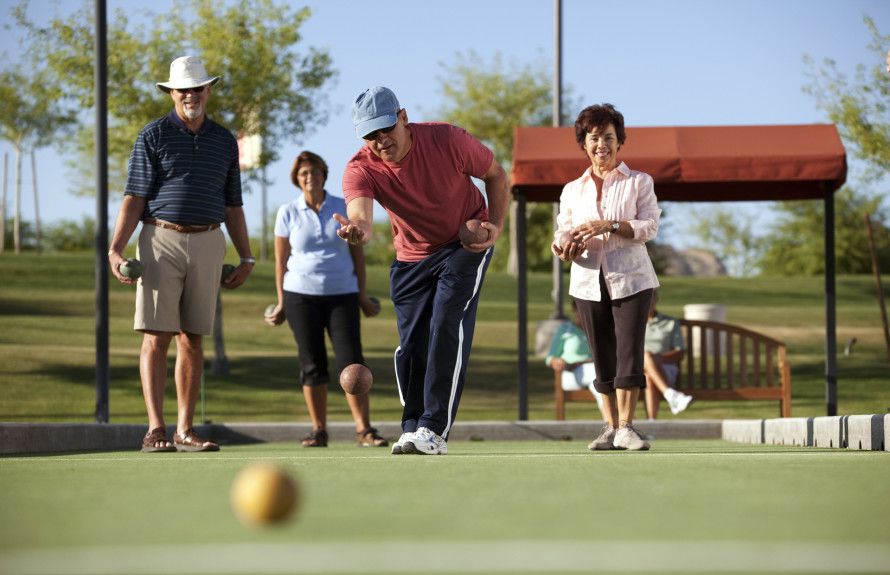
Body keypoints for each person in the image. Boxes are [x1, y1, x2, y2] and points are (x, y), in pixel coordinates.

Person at [336, 86, 508, 455]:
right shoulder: (360, 168)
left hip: (465, 244)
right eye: (370, 135)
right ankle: (412, 426)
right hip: (412, 257)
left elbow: (496, 174)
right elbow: (361, 216)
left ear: (403, 117)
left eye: (386, 129)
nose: (380, 140)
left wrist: (495, 226)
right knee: (412, 345)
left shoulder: (448, 140)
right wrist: (358, 230)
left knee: (446, 323)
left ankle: (434, 428)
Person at [108, 56, 254, 453]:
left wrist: (247, 257)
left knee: (193, 338)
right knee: (157, 336)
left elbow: (233, 206)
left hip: (209, 240)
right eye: (182, 89)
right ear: (171, 93)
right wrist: (115, 249)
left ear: (208, 90)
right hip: (160, 238)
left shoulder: (224, 140)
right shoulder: (152, 135)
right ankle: (156, 429)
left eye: (197, 87)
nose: (190, 94)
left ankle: (185, 430)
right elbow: (134, 198)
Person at [551, 103, 660, 451]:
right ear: (584, 143)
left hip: (632, 279)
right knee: (602, 355)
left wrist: (610, 225)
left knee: (629, 350)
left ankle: (628, 427)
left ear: (619, 142)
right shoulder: (571, 190)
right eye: (594, 138)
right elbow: (561, 233)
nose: (602, 145)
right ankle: (611, 427)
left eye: (609, 137)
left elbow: (649, 226)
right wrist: (563, 247)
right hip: (586, 280)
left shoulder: (639, 182)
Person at [265, 151, 386, 448]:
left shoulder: (341, 206)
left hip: (341, 294)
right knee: (312, 364)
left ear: (324, 174)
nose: (310, 177)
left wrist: (361, 295)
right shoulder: (288, 212)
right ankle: (318, 430)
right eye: (304, 173)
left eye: (315, 171)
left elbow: (357, 253)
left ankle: (364, 429)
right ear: (297, 178)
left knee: (352, 363)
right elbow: (281, 262)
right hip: (299, 296)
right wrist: (281, 302)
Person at [545, 301, 607, 419]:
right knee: (599, 375)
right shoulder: (565, 330)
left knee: (600, 384)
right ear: (575, 310)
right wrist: (556, 361)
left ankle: (613, 425)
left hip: (595, 376)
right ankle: (622, 424)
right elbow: (550, 357)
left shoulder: (598, 331)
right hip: (570, 374)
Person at [643, 290, 694, 419]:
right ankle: (671, 396)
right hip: (636, 369)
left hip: (665, 367)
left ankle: (651, 423)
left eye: (651, 297)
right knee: (647, 357)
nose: (648, 301)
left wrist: (658, 358)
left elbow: (680, 352)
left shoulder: (670, 322)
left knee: (649, 376)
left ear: (656, 299)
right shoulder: (631, 323)